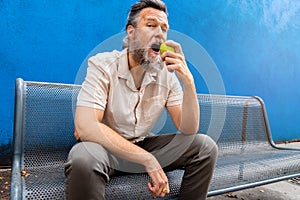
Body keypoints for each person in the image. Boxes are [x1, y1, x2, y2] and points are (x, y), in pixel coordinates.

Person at [64, 0, 218, 199]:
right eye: (151, 25)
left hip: (143, 144)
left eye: (164, 29)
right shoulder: (103, 64)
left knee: (204, 147)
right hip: (105, 149)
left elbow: (188, 128)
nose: (160, 34)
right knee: (84, 159)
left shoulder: (167, 75)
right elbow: (86, 126)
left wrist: (188, 82)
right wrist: (147, 158)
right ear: (131, 32)